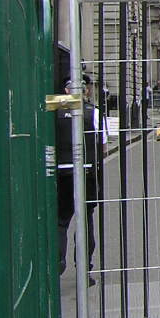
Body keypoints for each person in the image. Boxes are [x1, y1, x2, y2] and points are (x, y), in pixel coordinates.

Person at [56, 73, 107, 281]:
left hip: (62, 172)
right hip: (86, 171)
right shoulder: (94, 113)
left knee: (61, 220)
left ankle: (57, 260)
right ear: (85, 91)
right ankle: (84, 268)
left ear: (66, 91)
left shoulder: (54, 111)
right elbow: (103, 146)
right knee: (85, 220)